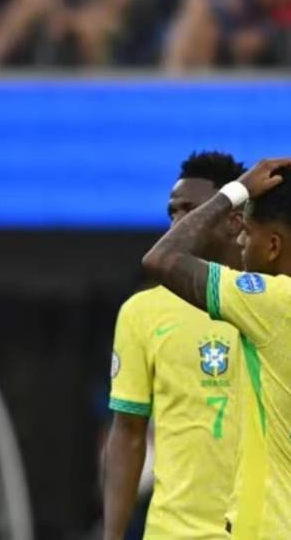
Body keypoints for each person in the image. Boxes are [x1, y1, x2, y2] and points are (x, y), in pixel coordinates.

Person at [142, 156, 291, 538]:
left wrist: (235, 191)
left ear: (273, 245)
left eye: (249, 232)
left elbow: (163, 259)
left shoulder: (273, 302)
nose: (240, 240)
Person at [104, 152, 246, 539]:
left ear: (232, 219)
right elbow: (128, 432)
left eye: (192, 211)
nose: (177, 223)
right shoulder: (143, 312)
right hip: (173, 530)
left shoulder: (269, 301)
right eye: (173, 212)